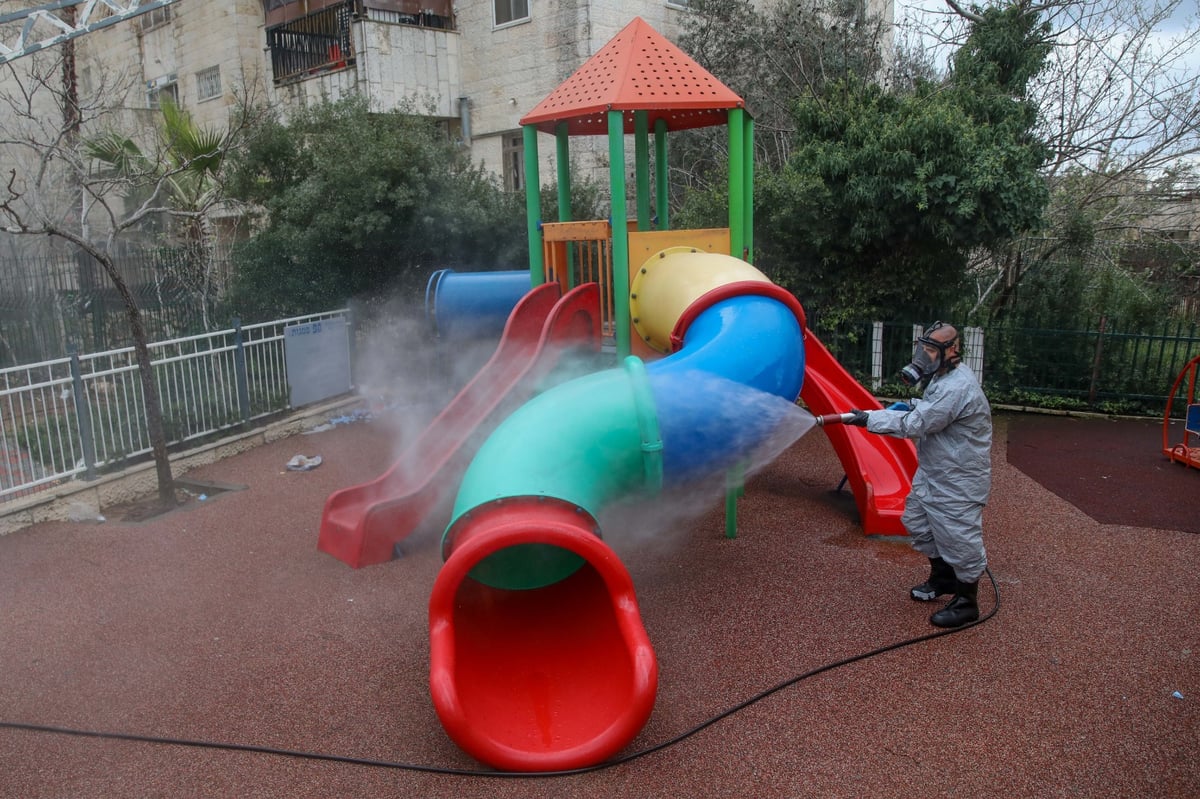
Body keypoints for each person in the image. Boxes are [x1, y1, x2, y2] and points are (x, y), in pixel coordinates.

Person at [844, 322, 992, 628]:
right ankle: (943, 579)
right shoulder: (942, 377)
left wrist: (868, 418)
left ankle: (967, 601)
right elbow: (928, 410)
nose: (924, 357)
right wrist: (912, 405)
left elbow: (914, 425)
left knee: (959, 536)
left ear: (952, 350)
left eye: (930, 351)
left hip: (958, 478)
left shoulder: (957, 386)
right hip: (936, 470)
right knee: (918, 521)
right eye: (922, 349)